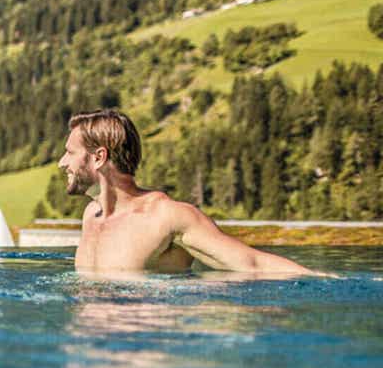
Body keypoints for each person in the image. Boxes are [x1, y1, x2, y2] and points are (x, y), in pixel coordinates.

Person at [57, 108, 312, 275]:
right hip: (92, 351)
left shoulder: (166, 217)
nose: (62, 162)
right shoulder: (92, 216)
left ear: (99, 157)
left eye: (70, 153)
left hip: (143, 350)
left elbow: (252, 264)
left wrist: (327, 281)